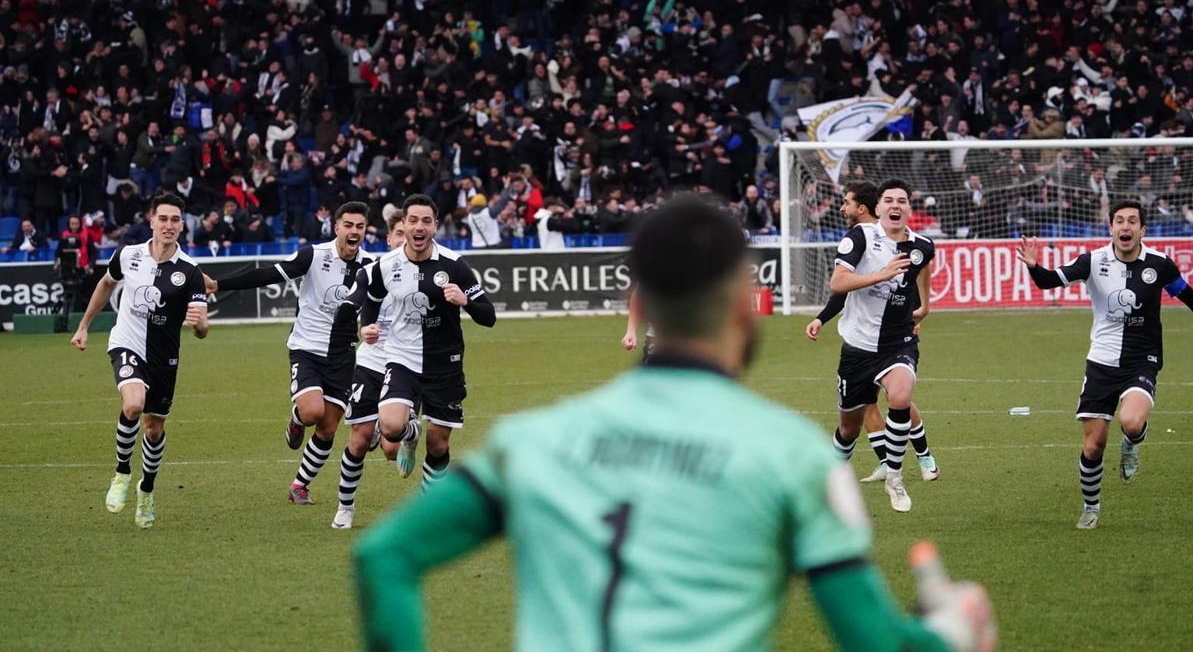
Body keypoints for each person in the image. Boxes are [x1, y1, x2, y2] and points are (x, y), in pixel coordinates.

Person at [353, 196, 995, 651]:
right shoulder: (793, 460)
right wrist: (951, 632)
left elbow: (385, 556)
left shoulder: (528, 443)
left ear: (649, 306)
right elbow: (879, 641)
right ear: (741, 311)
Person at [1016, 200, 1193, 529]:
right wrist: (1033, 265)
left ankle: (1132, 443)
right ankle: (1091, 506)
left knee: (1130, 422)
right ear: (1110, 227)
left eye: (1132, 222)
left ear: (1143, 229)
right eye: (1119, 221)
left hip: (1142, 359)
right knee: (1094, 444)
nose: (1125, 227)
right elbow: (1048, 281)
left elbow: (1190, 298)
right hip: (1101, 361)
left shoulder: (1160, 265)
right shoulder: (1093, 261)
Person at [204, 201, 372, 505]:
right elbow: (268, 274)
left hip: (343, 356)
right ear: (337, 227)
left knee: (328, 427)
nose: (354, 231)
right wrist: (219, 284)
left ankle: (300, 485)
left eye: (360, 226)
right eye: (348, 225)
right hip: (307, 348)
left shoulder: (370, 266)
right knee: (311, 413)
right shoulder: (314, 255)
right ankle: (296, 418)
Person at [70, 192, 209, 529]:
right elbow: (105, 284)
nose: (169, 225)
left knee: (154, 427)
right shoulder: (128, 255)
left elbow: (202, 327)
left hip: (164, 357)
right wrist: (84, 325)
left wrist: (200, 325)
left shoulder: (190, 271)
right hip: (127, 342)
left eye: (176, 220)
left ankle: (146, 490)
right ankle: (121, 473)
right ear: (152, 221)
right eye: (163, 218)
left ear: (182, 226)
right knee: (133, 403)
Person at [358, 194, 496, 494]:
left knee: (438, 443)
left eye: (426, 221)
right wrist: (366, 327)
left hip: (444, 362)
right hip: (402, 357)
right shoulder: (387, 264)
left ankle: (427, 501)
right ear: (403, 225)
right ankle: (410, 432)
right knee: (391, 427)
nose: (419, 227)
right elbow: (371, 295)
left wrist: (466, 300)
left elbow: (489, 316)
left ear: (435, 226)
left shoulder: (454, 265)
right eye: (413, 220)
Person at [805, 181, 939, 484]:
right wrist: (822, 318)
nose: (843, 207)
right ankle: (868, 466)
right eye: (889, 200)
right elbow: (840, 285)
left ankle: (917, 460)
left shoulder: (920, 244)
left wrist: (923, 306)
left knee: (900, 395)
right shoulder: (859, 238)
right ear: (877, 207)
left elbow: (921, 266)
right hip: (859, 344)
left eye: (901, 200)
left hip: (897, 340)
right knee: (855, 419)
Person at [329, 212, 418, 530]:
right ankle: (345, 507)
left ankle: (410, 432)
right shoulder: (374, 271)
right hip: (370, 363)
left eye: (405, 232)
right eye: (397, 233)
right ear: (390, 238)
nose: (403, 237)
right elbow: (354, 301)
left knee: (391, 449)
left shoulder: (423, 274)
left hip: (407, 363)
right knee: (359, 438)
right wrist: (357, 322)